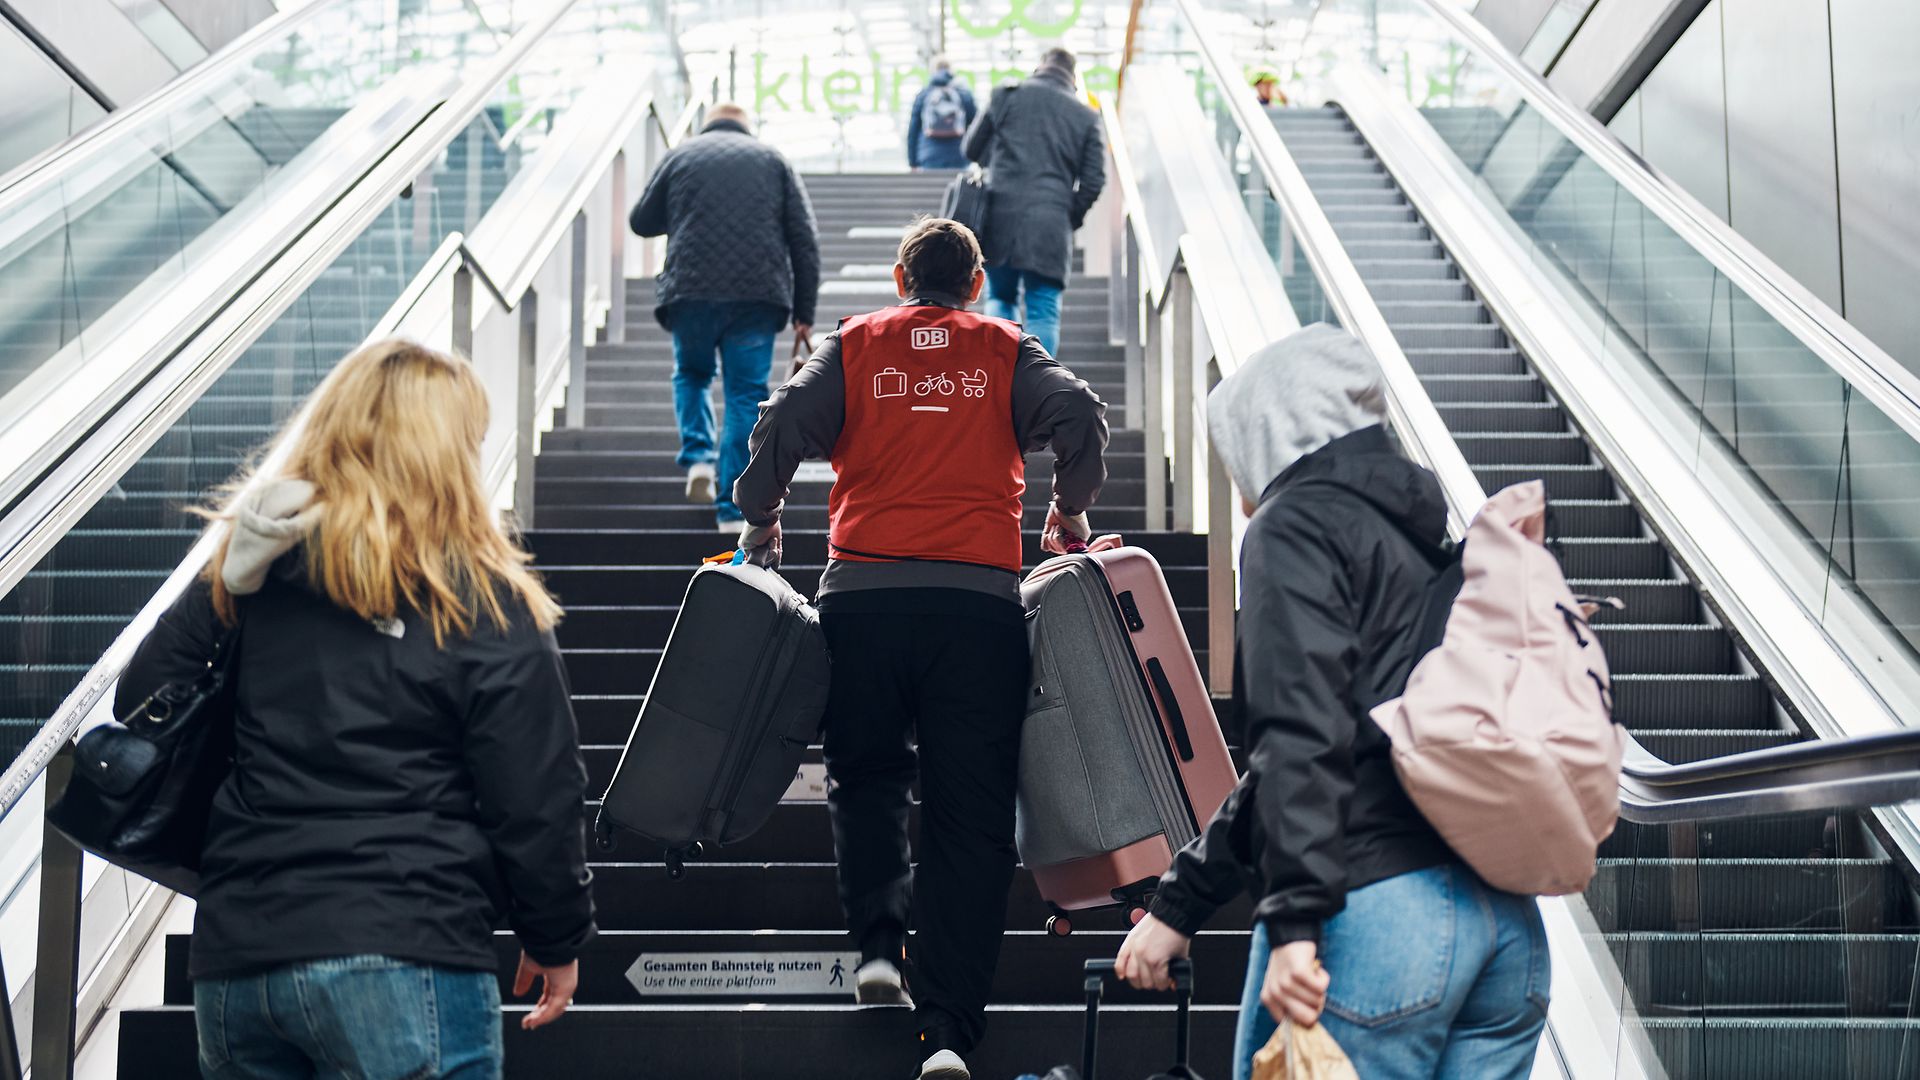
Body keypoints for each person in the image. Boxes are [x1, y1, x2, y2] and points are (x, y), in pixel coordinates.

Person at [119, 340, 596, 1079]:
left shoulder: (260, 573)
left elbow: (140, 701)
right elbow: (535, 792)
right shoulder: (478, 598)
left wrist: (224, 583)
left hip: (242, 959)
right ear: (450, 453)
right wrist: (555, 935)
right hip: (406, 944)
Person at [1110, 325, 1549, 1080]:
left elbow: (1300, 738)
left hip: (1375, 916)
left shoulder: (1294, 527)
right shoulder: (1430, 545)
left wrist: (1294, 927)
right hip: (1506, 930)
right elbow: (1334, 738)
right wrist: (1181, 903)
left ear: (1267, 434)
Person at [733, 217, 1108, 1080]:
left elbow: (781, 418)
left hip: (862, 602)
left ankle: (876, 947)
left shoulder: (857, 344)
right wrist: (1071, 509)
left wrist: (762, 516)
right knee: (970, 815)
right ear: (975, 285)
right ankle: (946, 1032)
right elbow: (1080, 415)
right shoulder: (1005, 348)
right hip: (977, 608)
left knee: (866, 777)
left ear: (902, 280)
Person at [629, 102, 821, 531]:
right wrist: (804, 311)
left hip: (690, 291)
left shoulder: (681, 155)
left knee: (692, 374)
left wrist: (684, 208)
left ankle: (699, 457)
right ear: (745, 127)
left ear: (707, 124)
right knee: (744, 394)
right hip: (756, 296)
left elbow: (641, 220)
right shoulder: (774, 160)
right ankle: (731, 510)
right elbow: (804, 239)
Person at [961, 47, 1104, 359]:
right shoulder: (1086, 116)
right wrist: (1067, 215)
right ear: (1073, 77)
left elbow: (971, 148)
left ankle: (999, 372)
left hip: (999, 214)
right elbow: (1094, 180)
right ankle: (1039, 381)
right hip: (1051, 220)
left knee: (1000, 296)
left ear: (1040, 66)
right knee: (1043, 307)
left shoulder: (1006, 95)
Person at [907, 56, 978, 170]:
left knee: (931, 182)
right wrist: (976, 157)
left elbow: (913, 131)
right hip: (959, 155)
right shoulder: (963, 94)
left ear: (932, 71)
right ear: (951, 71)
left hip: (929, 156)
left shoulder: (924, 94)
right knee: (958, 182)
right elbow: (976, 128)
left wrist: (912, 162)